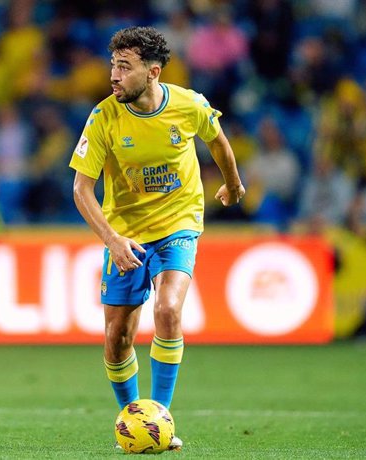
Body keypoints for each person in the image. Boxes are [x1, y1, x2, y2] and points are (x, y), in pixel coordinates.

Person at [69, 26, 245, 449]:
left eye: (123, 67)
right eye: (112, 64)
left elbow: (218, 142)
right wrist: (112, 239)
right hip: (126, 235)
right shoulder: (104, 116)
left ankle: (159, 421)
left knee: (168, 309)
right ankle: (131, 418)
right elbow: (80, 189)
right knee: (116, 340)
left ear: (153, 72)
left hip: (178, 224)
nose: (113, 75)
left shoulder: (188, 105)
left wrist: (233, 184)